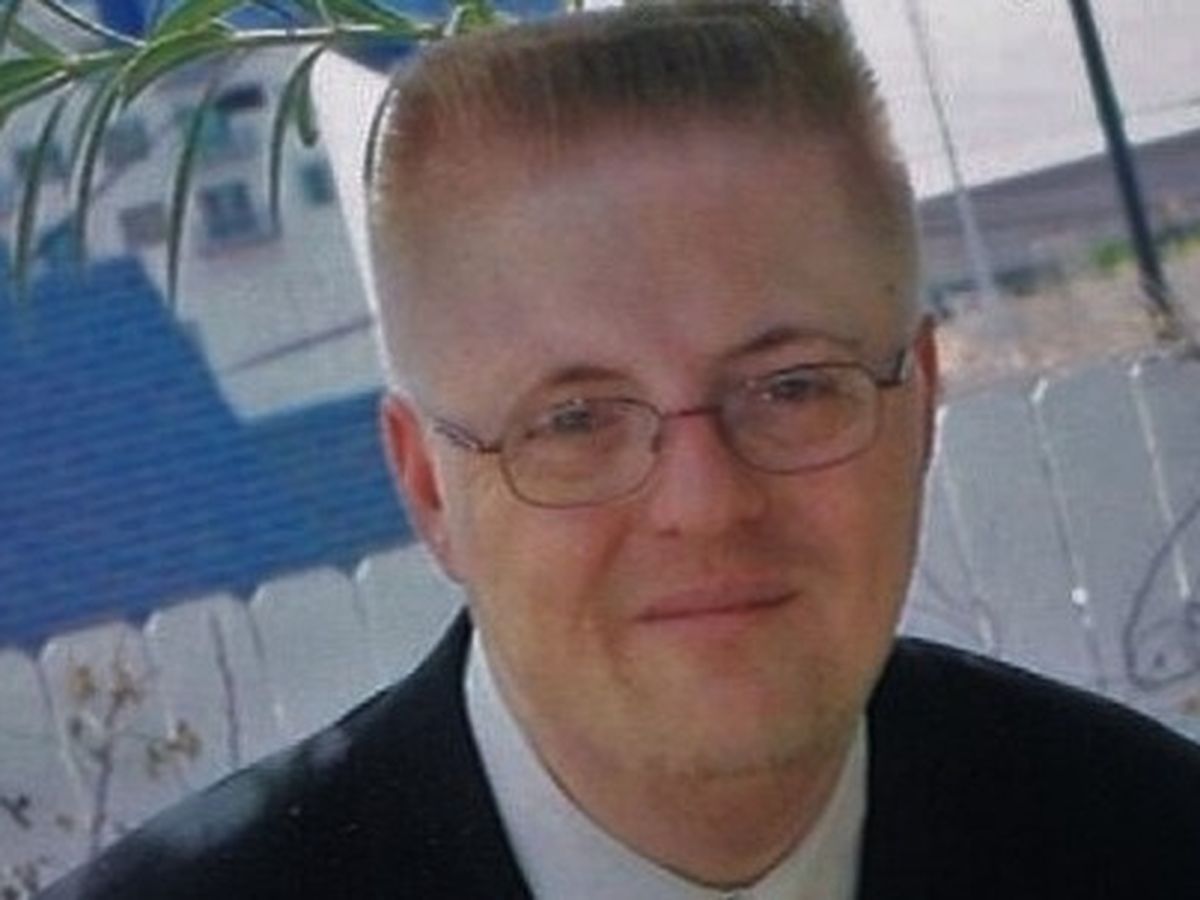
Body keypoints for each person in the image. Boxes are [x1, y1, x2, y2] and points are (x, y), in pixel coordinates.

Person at [43, 3, 1200, 898]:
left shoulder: (1153, 835)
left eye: (792, 387)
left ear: (923, 404)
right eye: (576, 419)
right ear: (428, 486)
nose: (704, 503)